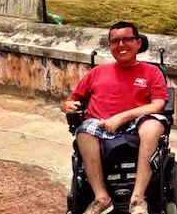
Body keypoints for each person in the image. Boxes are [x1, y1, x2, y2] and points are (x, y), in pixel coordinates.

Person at [61, 21, 169, 214]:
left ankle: (137, 200)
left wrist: (121, 118)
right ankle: (102, 199)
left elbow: (158, 105)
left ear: (138, 43)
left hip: (138, 122)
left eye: (127, 39)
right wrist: (67, 105)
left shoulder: (152, 72)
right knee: (84, 131)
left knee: (153, 126)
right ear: (110, 46)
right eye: (115, 41)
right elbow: (71, 100)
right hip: (100, 123)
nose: (121, 45)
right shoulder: (97, 72)